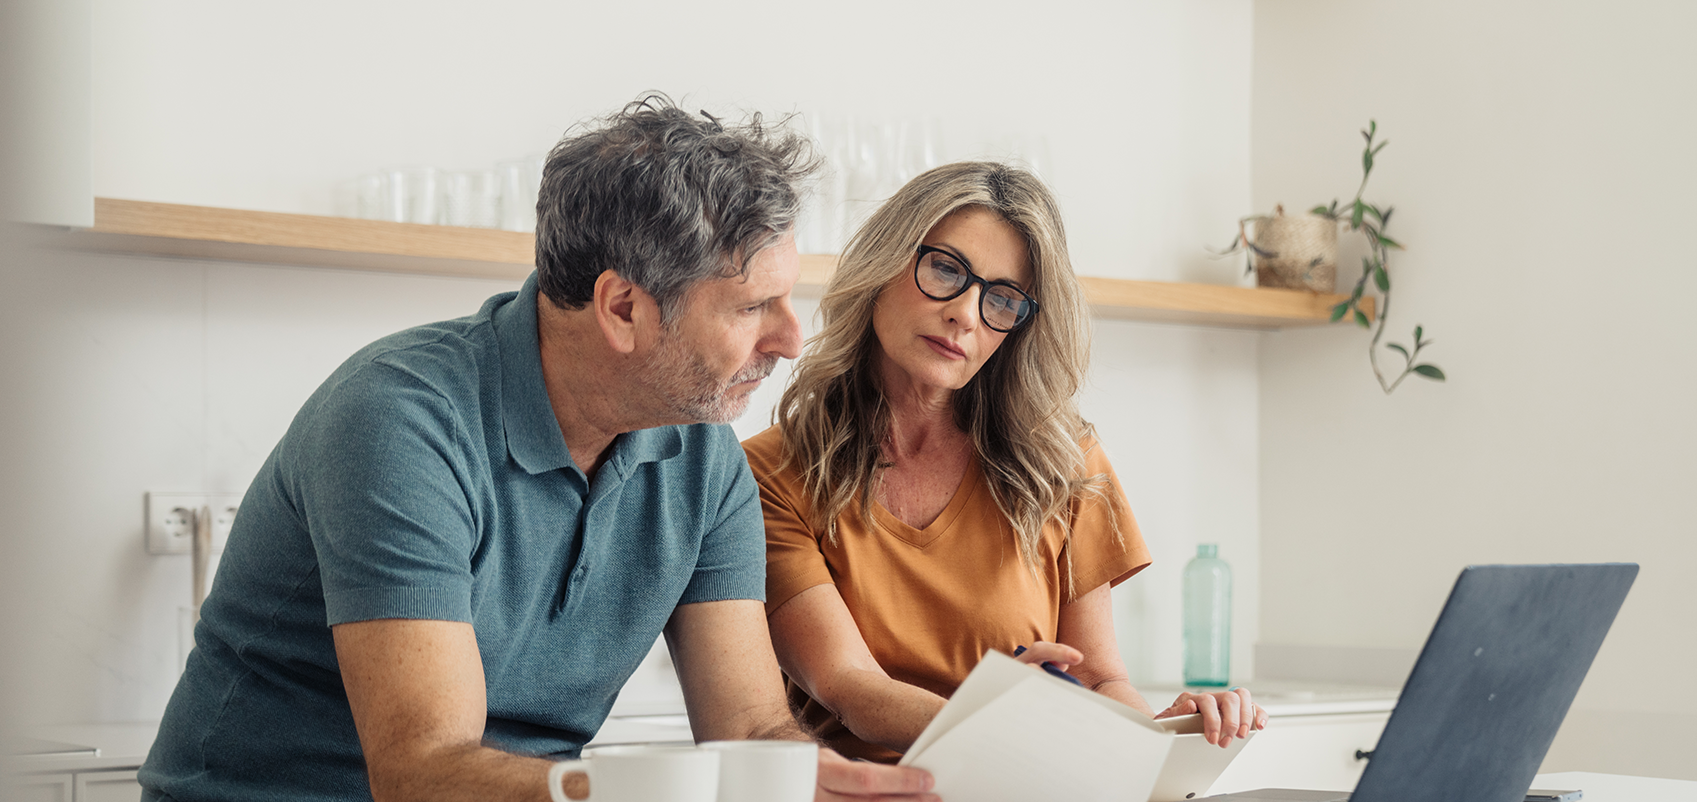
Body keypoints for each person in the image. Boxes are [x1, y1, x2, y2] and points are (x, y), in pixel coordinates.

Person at [138, 95, 935, 802]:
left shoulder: (705, 455)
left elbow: (751, 728)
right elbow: (423, 774)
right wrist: (664, 792)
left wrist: (803, 778)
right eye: (753, 306)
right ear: (623, 307)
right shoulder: (401, 421)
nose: (793, 340)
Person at [743, 162, 1268, 764]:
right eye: (946, 268)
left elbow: (1098, 679)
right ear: (883, 264)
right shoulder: (770, 473)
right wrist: (1005, 720)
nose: (966, 314)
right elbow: (849, 688)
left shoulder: (1064, 463)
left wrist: (1154, 739)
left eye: (1002, 298)